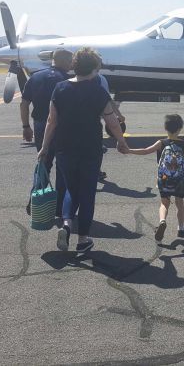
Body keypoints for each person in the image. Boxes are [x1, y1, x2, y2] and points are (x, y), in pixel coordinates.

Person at [39, 47, 128, 254]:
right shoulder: (98, 91)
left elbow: (52, 121)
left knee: (70, 188)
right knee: (87, 192)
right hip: (90, 148)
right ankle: (83, 238)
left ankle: (67, 224)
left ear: (75, 66)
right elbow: (112, 121)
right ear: (95, 68)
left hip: (63, 147)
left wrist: (44, 147)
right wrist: (121, 141)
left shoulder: (60, 88)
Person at [126, 114, 184, 242]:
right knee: (180, 204)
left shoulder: (161, 143)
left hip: (165, 179)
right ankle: (181, 229)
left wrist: (129, 150)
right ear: (179, 129)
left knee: (164, 203)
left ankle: (162, 221)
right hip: (180, 181)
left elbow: (145, 150)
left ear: (166, 128)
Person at [20, 48, 72, 216]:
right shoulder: (68, 80)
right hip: (62, 126)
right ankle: (59, 207)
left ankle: (35, 200)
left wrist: (25, 126)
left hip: (40, 125)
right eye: (70, 61)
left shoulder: (35, 77)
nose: (71, 65)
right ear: (64, 61)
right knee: (63, 167)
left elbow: (24, 104)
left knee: (43, 163)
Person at [93, 68, 124, 181]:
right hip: (92, 125)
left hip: (71, 127)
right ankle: (96, 172)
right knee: (96, 150)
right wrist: (121, 140)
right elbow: (108, 101)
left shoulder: (65, 85)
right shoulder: (100, 79)